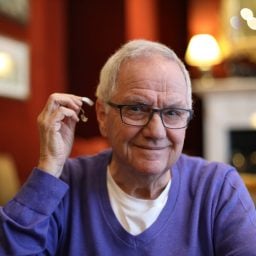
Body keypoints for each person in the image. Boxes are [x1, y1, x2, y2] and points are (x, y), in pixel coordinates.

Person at [0, 39, 255, 256]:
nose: (156, 131)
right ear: (102, 115)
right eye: (136, 108)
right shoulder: (64, 183)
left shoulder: (218, 189)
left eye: (174, 112)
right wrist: (49, 165)